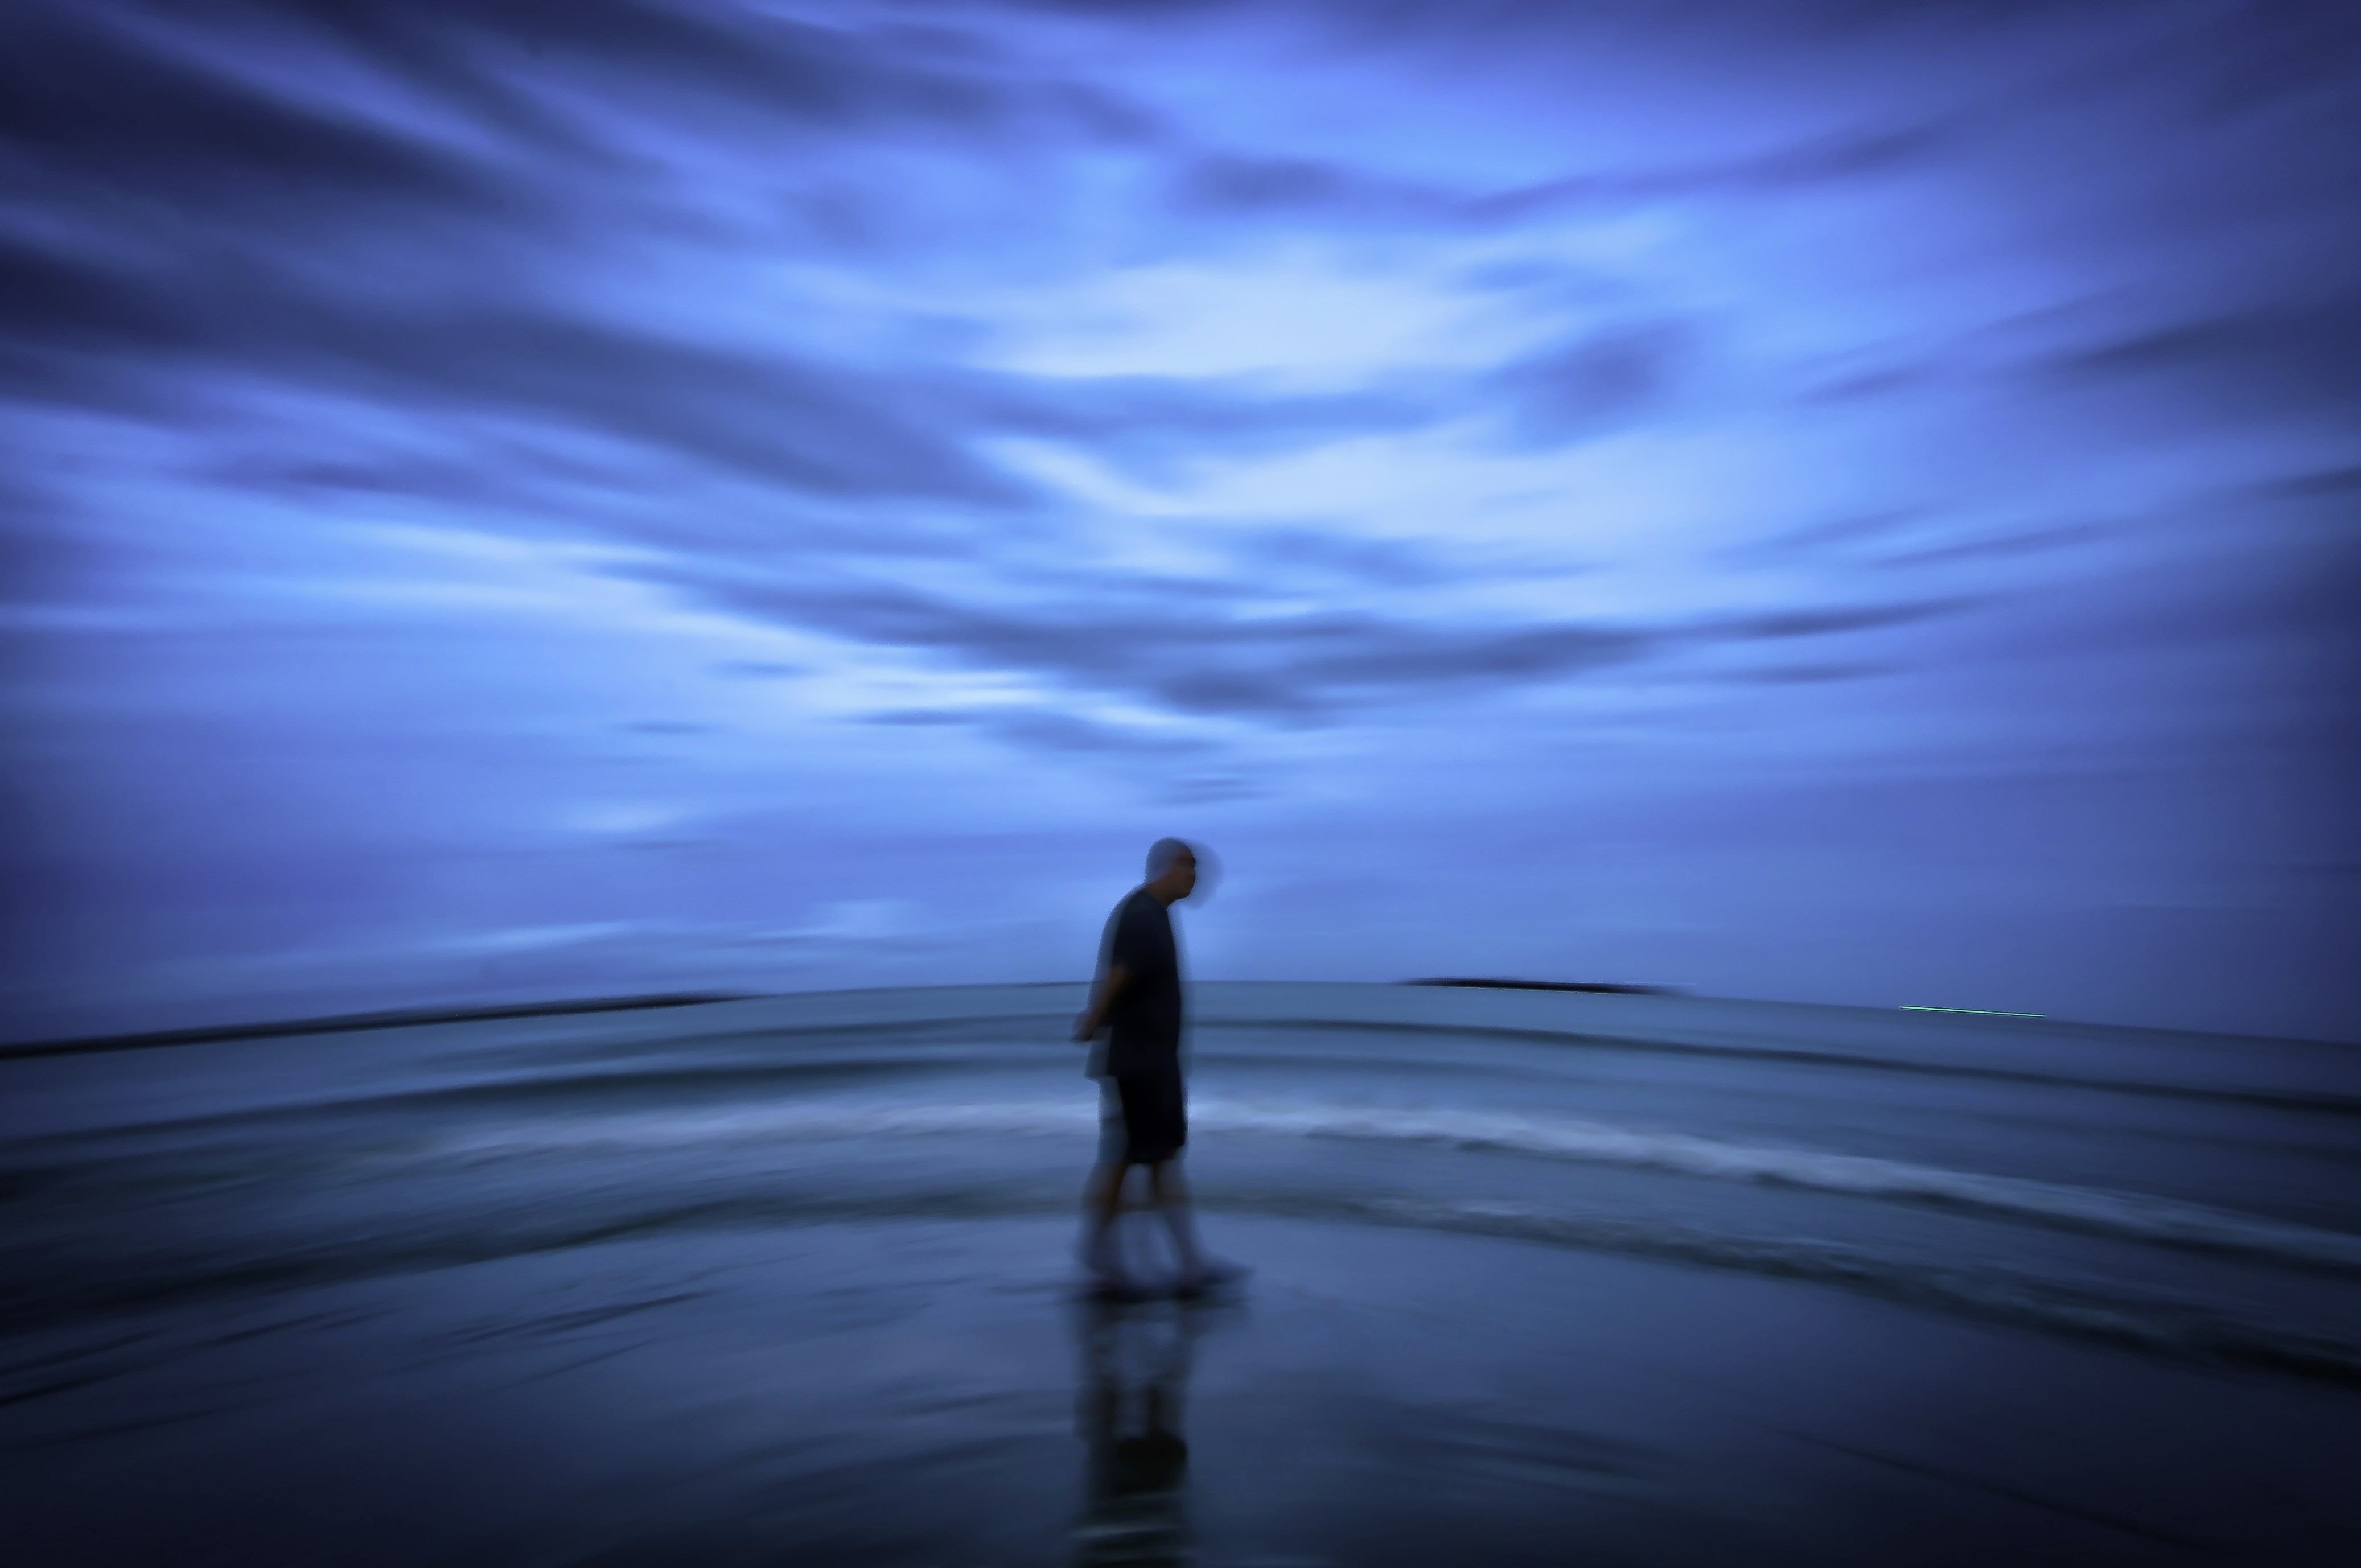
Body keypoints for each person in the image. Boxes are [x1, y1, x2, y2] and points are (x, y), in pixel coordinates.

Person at [1073, 838, 1244, 1298]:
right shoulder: (1142, 913)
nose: (1195, 874)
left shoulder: (1152, 912)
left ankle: (1141, 1259)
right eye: (1189, 865)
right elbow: (1120, 972)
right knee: (1142, 1157)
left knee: (1143, 1157)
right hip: (1141, 1061)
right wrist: (1094, 1016)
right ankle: (1162, 1262)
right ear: (1166, 866)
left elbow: (1126, 975)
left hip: (1149, 1059)